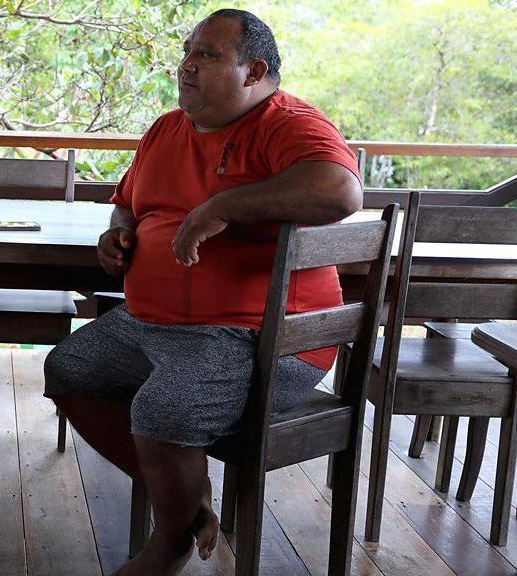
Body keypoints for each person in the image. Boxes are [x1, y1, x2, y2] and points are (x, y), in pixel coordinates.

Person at [44, 9, 362, 575]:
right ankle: (188, 505)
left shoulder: (288, 123)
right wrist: (117, 234)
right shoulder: (166, 129)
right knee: (69, 368)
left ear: (254, 70)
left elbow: (339, 190)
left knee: (166, 406)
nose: (187, 65)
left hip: (257, 336)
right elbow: (129, 202)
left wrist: (223, 207)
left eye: (207, 55)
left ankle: (170, 542)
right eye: (188, 51)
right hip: (149, 322)